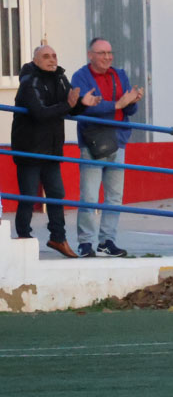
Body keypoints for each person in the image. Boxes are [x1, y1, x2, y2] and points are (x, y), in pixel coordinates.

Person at [11, 44, 96, 257]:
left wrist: (82, 104)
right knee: (29, 196)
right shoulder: (29, 82)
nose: (52, 60)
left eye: (54, 56)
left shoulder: (59, 78)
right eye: (46, 56)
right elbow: (39, 113)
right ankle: (23, 238)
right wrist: (68, 104)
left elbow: (70, 107)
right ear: (36, 60)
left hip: (51, 149)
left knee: (57, 195)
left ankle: (58, 238)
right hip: (29, 149)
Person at [71, 37, 143, 258]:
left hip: (118, 139)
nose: (107, 57)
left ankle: (107, 241)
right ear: (90, 55)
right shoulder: (80, 76)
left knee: (114, 197)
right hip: (92, 141)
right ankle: (85, 243)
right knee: (90, 197)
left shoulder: (119, 74)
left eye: (109, 53)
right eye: (102, 53)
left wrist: (132, 100)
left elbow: (129, 110)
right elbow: (84, 109)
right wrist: (117, 104)